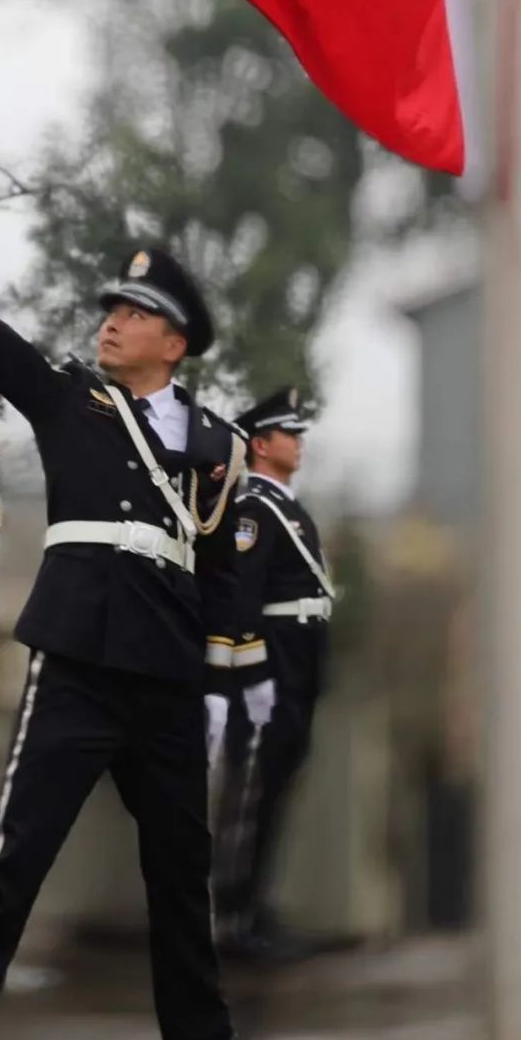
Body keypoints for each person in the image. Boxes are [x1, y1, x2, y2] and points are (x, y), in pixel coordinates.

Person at [0, 247, 300, 1040]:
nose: (111, 321)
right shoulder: (71, 398)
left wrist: (225, 675)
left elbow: (223, 575)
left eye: (133, 311)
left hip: (165, 675)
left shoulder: (220, 444)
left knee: (179, 864)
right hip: (77, 663)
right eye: (110, 308)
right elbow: (2, 350)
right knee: (13, 860)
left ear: (175, 340)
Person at [213, 387, 334, 963]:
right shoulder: (254, 510)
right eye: (289, 433)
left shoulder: (287, 508)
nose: (298, 442)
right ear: (261, 445)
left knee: (274, 791)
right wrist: (253, 673)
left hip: (298, 665)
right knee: (251, 793)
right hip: (270, 668)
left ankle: (256, 907)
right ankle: (231, 917)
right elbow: (239, 600)